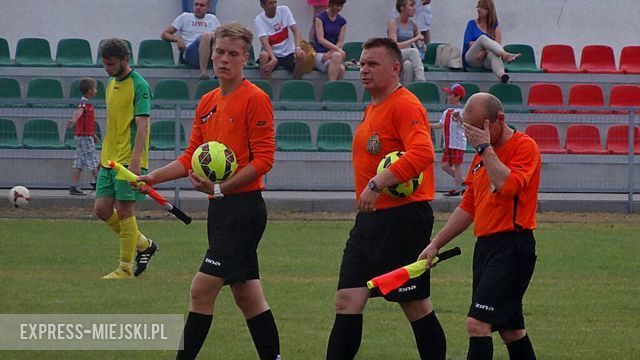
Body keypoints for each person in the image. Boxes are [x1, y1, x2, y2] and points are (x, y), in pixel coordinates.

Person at [136, 23, 280, 360]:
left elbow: (264, 159)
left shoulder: (256, 98)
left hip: (244, 209)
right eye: (219, 52)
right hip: (221, 209)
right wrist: (152, 177)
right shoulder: (207, 101)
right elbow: (190, 158)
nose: (224, 59)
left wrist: (219, 187)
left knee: (201, 289)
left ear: (246, 58)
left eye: (233, 53)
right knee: (248, 296)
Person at [326, 37, 446, 360]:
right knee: (348, 300)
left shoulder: (406, 104)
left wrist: (378, 183)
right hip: (370, 220)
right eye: (362, 64)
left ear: (395, 69)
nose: (364, 70)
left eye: (372, 64)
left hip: (404, 218)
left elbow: (423, 153)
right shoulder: (373, 108)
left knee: (415, 304)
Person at [419, 92, 540, 360]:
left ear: (499, 120)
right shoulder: (480, 156)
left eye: (477, 129)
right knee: (511, 329)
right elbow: (468, 206)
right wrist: (436, 243)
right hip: (486, 248)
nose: (472, 136)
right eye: (468, 129)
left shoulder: (524, 147)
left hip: (513, 247)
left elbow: (509, 186)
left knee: (477, 324)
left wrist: (486, 148)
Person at [94, 38, 157, 279]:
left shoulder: (139, 85)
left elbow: (142, 126)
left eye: (111, 64)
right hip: (109, 159)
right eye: (105, 64)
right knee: (101, 209)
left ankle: (125, 268)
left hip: (128, 160)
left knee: (124, 211)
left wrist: (135, 162)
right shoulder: (110, 83)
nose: (107, 69)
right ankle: (144, 245)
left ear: (125, 60)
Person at [462, 0, 520, 83]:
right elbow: (468, 43)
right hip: (473, 57)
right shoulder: (471, 23)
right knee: (482, 38)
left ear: (489, 10)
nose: (479, 9)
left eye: (482, 8)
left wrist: (485, 52)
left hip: (487, 60)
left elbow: (496, 45)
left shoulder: (495, 27)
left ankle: (502, 76)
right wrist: (482, 49)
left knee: (494, 54)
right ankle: (505, 55)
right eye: (478, 7)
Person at [162, 0, 221, 80]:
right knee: (205, 35)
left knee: (216, 38)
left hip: (209, 54)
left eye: (201, 5)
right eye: (196, 5)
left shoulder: (213, 19)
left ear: (208, 8)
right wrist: (178, 39)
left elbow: (221, 38)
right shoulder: (185, 17)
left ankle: (216, 74)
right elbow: (165, 34)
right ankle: (203, 73)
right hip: (191, 53)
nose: (198, 7)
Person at [430, 83, 467, 197]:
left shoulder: (461, 111)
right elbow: (441, 124)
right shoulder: (446, 111)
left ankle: (457, 188)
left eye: (450, 95)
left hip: (457, 143)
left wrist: (459, 118)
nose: (448, 97)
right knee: (445, 165)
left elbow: (465, 124)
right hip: (448, 143)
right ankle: (463, 182)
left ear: (457, 97)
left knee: (457, 165)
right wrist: (428, 125)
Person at [255, 0, 306, 81]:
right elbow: (264, 42)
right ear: (263, 5)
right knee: (263, 55)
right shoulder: (259, 19)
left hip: (289, 53)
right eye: (271, 3)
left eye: (275, 2)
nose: (274, 5)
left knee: (302, 55)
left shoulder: (284, 10)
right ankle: (268, 90)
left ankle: (294, 86)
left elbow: (296, 31)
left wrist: (298, 48)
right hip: (274, 54)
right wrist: (273, 58)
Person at [66, 77, 99, 196]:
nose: (96, 90)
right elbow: (79, 112)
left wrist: (93, 134)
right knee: (92, 159)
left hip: (84, 135)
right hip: (84, 137)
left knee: (79, 161)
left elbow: (87, 122)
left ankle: (74, 186)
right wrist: (73, 120)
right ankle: (99, 183)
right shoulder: (84, 102)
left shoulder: (88, 104)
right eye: (95, 88)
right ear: (89, 90)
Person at [388, 0, 426, 84]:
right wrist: (414, 39)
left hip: (408, 56)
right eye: (411, 6)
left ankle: (408, 90)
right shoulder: (393, 23)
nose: (414, 8)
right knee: (413, 52)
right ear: (402, 8)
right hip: (396, 54)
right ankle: (421, 81)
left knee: (408, 65)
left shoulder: (413, 24)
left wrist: (422, 45)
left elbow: (419, 42)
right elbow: (394, 46)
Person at [311, 0, 347, 81]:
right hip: (319, 53)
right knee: (338, 58)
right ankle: (332, 87)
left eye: (341, 6)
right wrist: (337, 49)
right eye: (337, 5)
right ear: (331, 4)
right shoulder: (319, 17)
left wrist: (330, 53)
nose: (339, 8)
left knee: (341, 69)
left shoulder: (342, 21)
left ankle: (333, 89)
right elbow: (320, 39)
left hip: (332, 54)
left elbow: (340, 42)